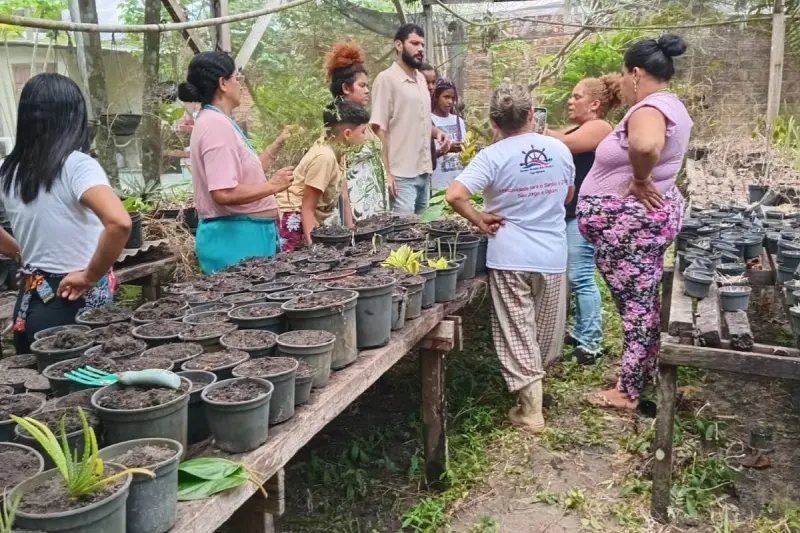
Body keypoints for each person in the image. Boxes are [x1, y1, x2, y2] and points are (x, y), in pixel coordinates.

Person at [446, 84, 575, 431]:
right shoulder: (559, 149)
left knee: (517, 327)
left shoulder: (492, 156)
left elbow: (455, 195)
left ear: (493, 121)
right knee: (546, 327)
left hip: (510, 254)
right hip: (551, 252)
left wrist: (479, 218)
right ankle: (537, 384)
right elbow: (567, 195)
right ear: (532, 114)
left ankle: (531, 408)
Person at [577, 35, 692, 410]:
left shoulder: (648, 108)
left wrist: (641, 179)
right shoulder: (670, 104)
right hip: (638, 227)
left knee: (636, 307)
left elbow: (645, 147)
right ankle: (642, 373)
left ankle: (628, 391)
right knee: (642, 303)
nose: (622, 85)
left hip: (630, 229)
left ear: (637, 74)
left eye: (625, 77)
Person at [0, 73, 132, 353]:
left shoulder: (10, 170)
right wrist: (90, 276)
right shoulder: (76, 165)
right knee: (89, 390)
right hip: (75, 301)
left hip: (33, 302)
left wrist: (19, 253)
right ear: (74, 117)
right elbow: (119, 223)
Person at [178, 51, 294, 274]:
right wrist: (272, 186)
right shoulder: (216, 127)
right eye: (236, 78)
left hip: (243, 237)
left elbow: (242, 176)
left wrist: (275, 146)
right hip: (236, 240)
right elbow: (223, 193)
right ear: (222, 83)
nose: (239, 84)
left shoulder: (216, 121)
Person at [545, 75, 621, 364]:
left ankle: (591, 341)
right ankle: (581, 331)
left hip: (583, 214)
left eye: (577, 97)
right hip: (570, 211)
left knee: (581, 277)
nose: (570, 100)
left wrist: (534, 128)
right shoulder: (581, 126)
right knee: (571, 275)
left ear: (595, 104)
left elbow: (563, 144)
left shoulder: (600, 126)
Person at [371, 23, 451, 215]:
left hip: (424, 171)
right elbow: (377, 129)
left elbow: (418, 121)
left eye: (422, 45)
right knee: (404, 236)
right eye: (414, 43)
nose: (420, 49)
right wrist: (387, 174)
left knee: (423, 234)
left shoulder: (421, 79)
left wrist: (438, 132)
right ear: (399, 45)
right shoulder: (386, 79)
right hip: (401, 176)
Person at [278, 100, 370, 250]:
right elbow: (307, 207)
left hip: (308, 216)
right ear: (347, 134)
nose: (365, 138)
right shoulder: (324, 157)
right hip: (293, 216)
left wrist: (351, 234)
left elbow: (344, 195)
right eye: (363, 132)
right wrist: (313, 250)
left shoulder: (339, 149)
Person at [431, 78, 468, 191]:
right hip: (437, 185)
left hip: (458, 182)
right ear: (436, 97)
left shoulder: (458, 121)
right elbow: (424, 158)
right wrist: (447, 149)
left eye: (453, 98)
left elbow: (465, 149)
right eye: (446, 97)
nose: (450, 102)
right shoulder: (428, 121)